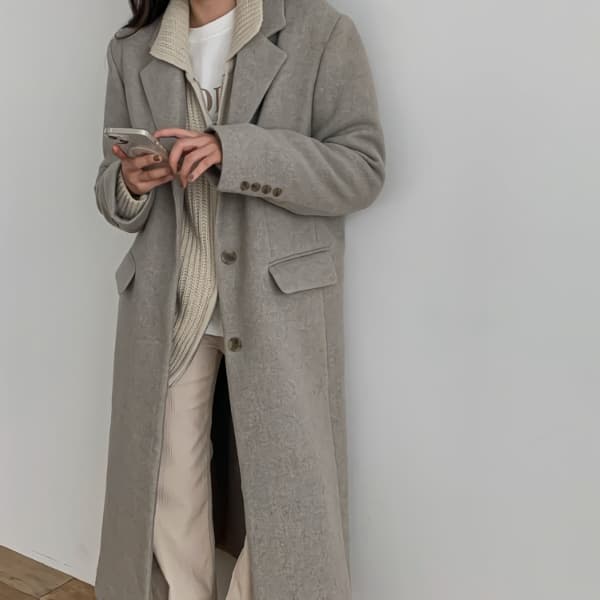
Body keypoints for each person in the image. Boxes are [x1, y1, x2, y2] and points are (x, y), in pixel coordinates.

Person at [93, 0, 386, 598]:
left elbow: (361, 169)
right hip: (172, 304)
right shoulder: (132, 49)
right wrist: (128, 183)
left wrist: (237, 151)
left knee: (287, 484)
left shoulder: (321, 32)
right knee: (166, 474)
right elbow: (109, 184)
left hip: (276, 303)